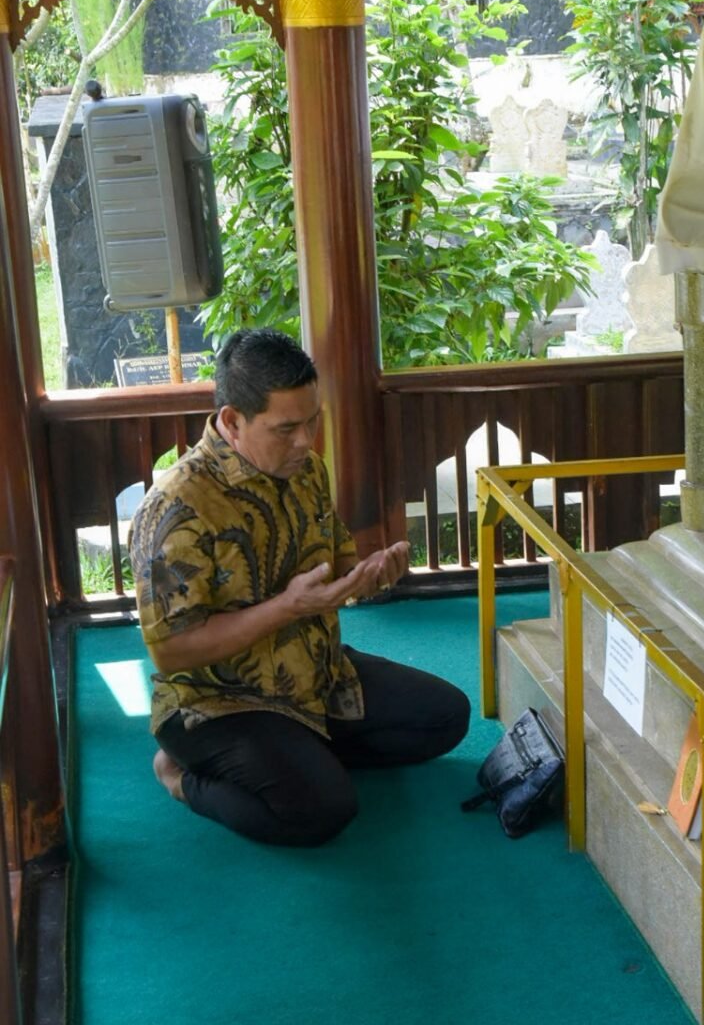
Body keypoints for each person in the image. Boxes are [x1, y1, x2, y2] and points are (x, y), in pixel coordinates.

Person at [129, 328, 470, 846]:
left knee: (446, 717)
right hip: (217, 701)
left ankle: (299, 753)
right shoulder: (175, 505)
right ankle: (182, 777)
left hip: (317, 671)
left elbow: (333, 563)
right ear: (231, 422)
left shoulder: (308, 470)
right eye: (286, 428)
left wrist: (367, 574)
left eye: (313, 421)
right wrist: (288, 608)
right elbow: (172, 652)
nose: (306, 441)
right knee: (322, 811)